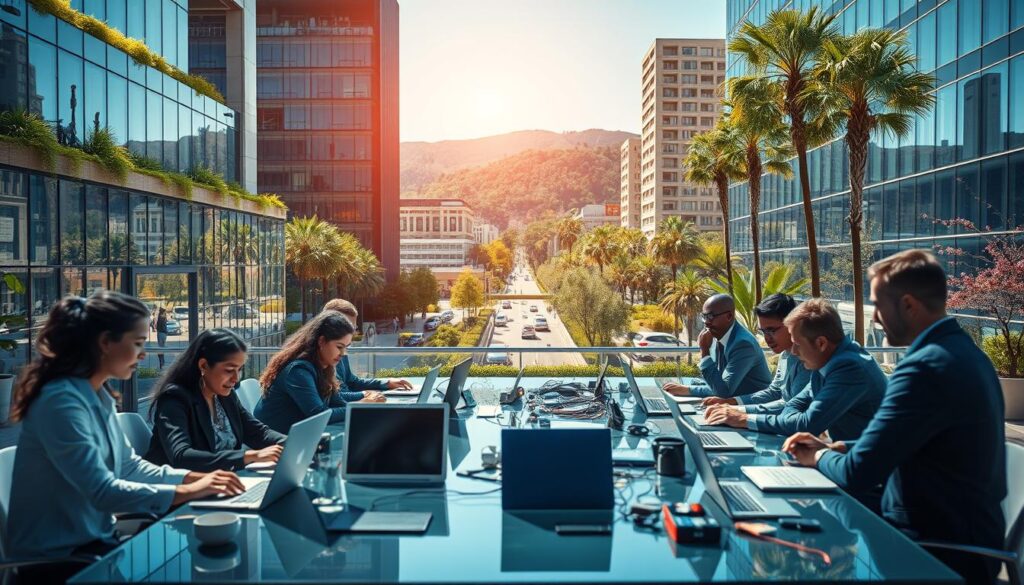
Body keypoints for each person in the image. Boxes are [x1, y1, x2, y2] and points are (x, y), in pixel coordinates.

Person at [783, 250, 1006, 585]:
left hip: (933, 552)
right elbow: (922, 440)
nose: (874, 318)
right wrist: (841, 447)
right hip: (966, 539)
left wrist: (817, 456)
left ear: (908, 305)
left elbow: (857, 474)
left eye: (877, 305)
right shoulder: (964, 353)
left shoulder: (924, 367)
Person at [6, 292, 245, 580]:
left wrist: (194, 479)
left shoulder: (99, 396)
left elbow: (129, 467)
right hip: (57, 563)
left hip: (96, 546)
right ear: (105, 342)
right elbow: (103, 492)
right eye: (138, 343)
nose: (143, 354)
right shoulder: (60, 403)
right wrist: (190, 491)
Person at [706, 298, 885, 442]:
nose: (793, 351)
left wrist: (743, 418)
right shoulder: (826, 360)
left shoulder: (848, 368)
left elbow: (806, 423)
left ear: (821, 343)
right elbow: (793, 404)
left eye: (798, 344)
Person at [145, 328, 286, 472]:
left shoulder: (225, 395)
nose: (236, 378)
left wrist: (290, 443)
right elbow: (181, 457)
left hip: (223, 479)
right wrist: (248, 456)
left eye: (239, 369)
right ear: (203, 365)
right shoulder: (175, 398)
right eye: (229, 370)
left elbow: (258, 433)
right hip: (179, 484)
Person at [255, 311, 385, 434]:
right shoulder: (298, 371)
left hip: (297, 435)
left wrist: (365, 398)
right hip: (274, 442)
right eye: (339, 347)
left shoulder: (323, 366)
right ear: (321, 341)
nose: (343, 353)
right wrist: (359, 405)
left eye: (346, 347)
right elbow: (319, 414)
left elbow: (335, 399)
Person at [702, 293, 811, 418]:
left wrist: (739, 411)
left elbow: (791, 407)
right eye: (763, 331)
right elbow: (774, 392)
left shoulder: (807, 359)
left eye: (771, 330)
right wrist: (731, 402)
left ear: (792, 324)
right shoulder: (785, 354)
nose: (767, 338)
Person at [663, 294, 771, 398]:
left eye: (710, 316)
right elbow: (718, 384)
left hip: (753, 404)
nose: (706, 323)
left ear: (729, 316)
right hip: (732, 400)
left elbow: (723, 391)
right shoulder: (719, 335)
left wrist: (704, 351)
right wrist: (689, 389)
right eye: (704, 317)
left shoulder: (743, 344)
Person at [323, 299, 412, 395]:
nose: (353, 333)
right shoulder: (321, 356)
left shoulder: (342, 350)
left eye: (353, 328)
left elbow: (352, 382)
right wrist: (366, 396)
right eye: (346, 327)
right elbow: (336, 396)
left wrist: (386, 383)